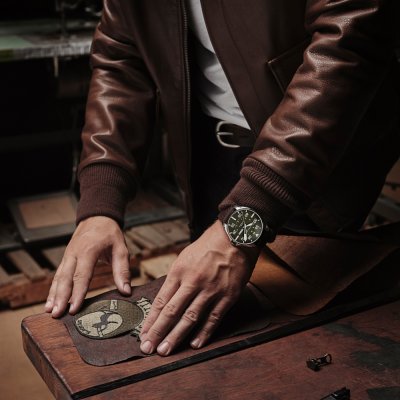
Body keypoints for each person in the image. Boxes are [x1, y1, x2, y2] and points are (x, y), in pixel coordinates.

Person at [45, 0, 400, 357]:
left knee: (309, 342)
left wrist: (245, 219)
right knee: (215, 325)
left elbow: (349, 42)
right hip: (208, 155)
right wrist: (100, 201)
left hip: (314, 161)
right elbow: (121, 57)